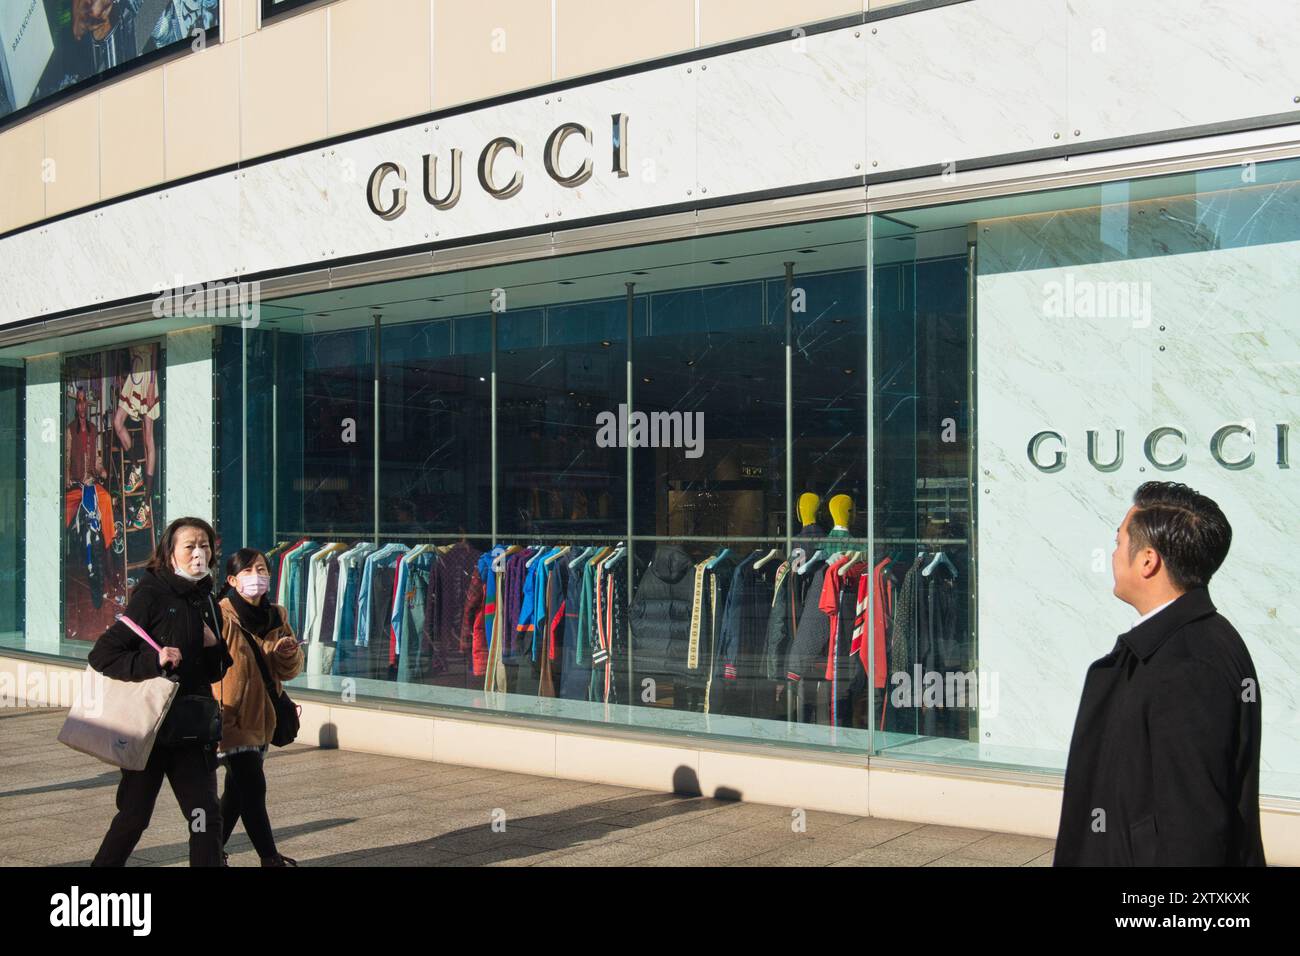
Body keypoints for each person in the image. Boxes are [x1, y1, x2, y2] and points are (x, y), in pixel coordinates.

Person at [1054, 481, 1264, 866]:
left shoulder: (1188, 664)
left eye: (1119, 542)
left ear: (1147, 560)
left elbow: (1193, 829)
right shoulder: (1186, 642)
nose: (1114, 554)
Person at [88, 517, 233, 867]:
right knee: (134, 817)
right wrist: (155, 660)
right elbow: (104, 655)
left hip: (191, 729)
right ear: (170, 553)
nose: (199, 553)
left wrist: (214, 646)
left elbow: (216, 669)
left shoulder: (207, 598)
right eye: (190, 546)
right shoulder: (152, 594)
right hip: (149, 730)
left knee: (204, 818)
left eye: (204, 546)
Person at [212, 548, 304, 867]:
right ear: (232, 580)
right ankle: (270, 858)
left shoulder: (276, 615)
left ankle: (212, 852)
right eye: (248, 572)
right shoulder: (220, 615)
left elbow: (288, 670)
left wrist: (285, 651)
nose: (257, 577)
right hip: (231, 713)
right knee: (253, 784)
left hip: (265, 714)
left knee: (237, 790)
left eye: (261, 569)